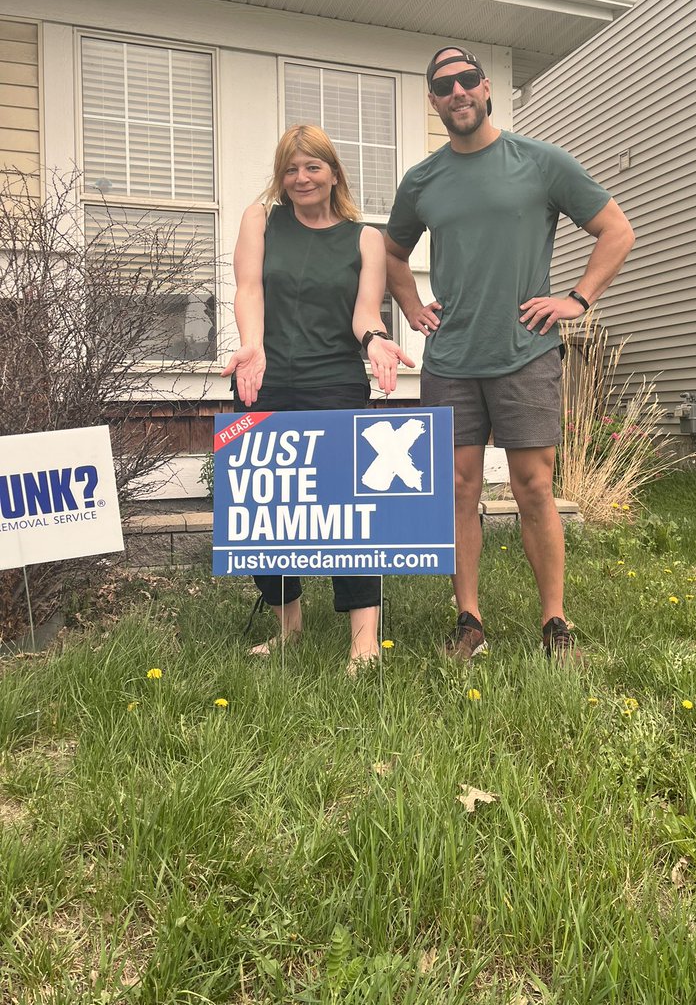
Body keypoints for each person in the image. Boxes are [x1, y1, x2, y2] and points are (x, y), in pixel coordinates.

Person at [385, 47, 634, 661]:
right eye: (443, 85)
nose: (457, 92)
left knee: (533, 486)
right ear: (433, 101)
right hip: (452, 358)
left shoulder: (539, 161)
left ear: (486, 87)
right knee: (459, 488)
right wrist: (414, 309)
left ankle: (555, 623)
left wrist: (576, 298)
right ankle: (468, 620)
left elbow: (616, 230)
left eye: (467, 80)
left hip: (525, 351)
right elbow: (391, 254)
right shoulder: (422, 180)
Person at [222, 124, 413, 672]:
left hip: (335, 384)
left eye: (312, 167)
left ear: (333, 173)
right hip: (266, 380)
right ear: (280, 177)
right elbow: (250, 287)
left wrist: (376, 341)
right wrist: (252, 346)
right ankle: (289, 626)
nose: (301, 178)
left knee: (349, 512)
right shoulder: (261, 220)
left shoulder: (365, 238)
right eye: (290, 168)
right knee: (268, 507)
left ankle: (364, 642)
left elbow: (364, 314)